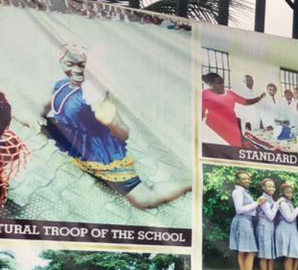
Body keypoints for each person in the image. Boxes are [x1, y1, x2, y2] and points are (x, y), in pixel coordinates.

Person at [11, 44, 192, 209]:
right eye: (69, 64)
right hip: (69, 136)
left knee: (145, 200)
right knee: (17, 112)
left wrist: (112, 122)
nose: (75, 70)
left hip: (101, 152)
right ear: (61, 63)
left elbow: (124, 133)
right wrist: (33, 117)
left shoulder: (96, 94)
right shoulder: (61, 86)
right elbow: (39, 107)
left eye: (82, 65)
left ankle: (192, 182)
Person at [201, 72, 265, 147]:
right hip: (215, 131)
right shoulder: (205, 94)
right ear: (210, 84)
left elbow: (246, 102)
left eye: (222, 82)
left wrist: (259, 98)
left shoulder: (229, 94)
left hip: (232, 129)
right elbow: (202, 115)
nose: (222, 85)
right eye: (219, 83)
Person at [229, 170, 259, 270]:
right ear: (237, 180)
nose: (247, 180)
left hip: (245, 221)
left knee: (243, 251)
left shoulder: (243, 192)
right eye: (244, 179)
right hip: (243, 221)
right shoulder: (237, 192)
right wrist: (257, 203)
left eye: (248, 178)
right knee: (250, 251)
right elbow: (239, 209)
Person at [254, 177, 279, 270]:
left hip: (270, 227)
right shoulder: (263, 199)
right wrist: (278, 204)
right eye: (269, 186)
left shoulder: (270, 199)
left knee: (271, 252)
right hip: (264, 227)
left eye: (273, 186)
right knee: (264, 253)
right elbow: (271, 216)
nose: (271, 188)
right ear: (263, 187)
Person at [274, 182, 298, 270]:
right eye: (287, 192)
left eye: (291, 192)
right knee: (289, 255)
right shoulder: (283, 203)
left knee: (293, 254)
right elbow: (289, 218)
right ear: (282, 192)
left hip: (291, 229)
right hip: (285, 229)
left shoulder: (289, 203)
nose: (289, 194)